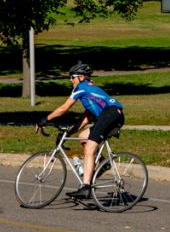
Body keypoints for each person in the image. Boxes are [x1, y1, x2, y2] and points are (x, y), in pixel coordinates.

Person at [37, 62, 124, 199]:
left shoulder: (81, 88)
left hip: (111, 114)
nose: (71, 80)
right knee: (84, 136)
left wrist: (44, 119)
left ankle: (86, 188)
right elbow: (86, 119)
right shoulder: (89, 91)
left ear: (81, 77)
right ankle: (101, 163)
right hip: (111, 115)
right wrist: (69, 133)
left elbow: (64, 109)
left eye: (73, 77)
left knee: (89, 149)